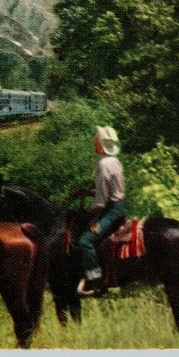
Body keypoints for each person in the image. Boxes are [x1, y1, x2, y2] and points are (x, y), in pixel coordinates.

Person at [76, 126, 126, 297]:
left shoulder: (103, 164)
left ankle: (96, 282)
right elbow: (110, 190)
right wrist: (87, 192)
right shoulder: (114, 160)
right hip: (119, 207)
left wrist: (93, 219)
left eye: (96, 139)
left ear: (101, 143)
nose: (94, 142)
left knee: (85, 241)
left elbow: (101, 201)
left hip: (110, 211)